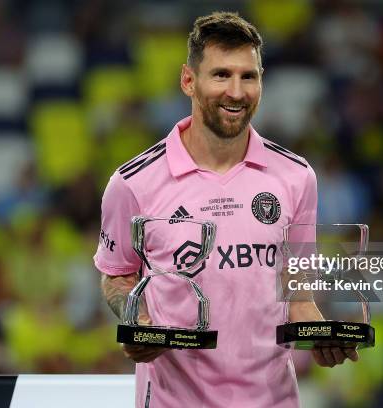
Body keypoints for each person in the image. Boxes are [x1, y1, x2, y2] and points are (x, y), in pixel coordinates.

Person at [94, 11, 358, 407]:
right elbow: (116, 275)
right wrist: (139, 322)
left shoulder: (296, 176)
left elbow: (296, 286)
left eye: (248, 76)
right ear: (189, 80)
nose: (236, 92)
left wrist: (317, 331)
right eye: (220, 75)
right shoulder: (132, 183)